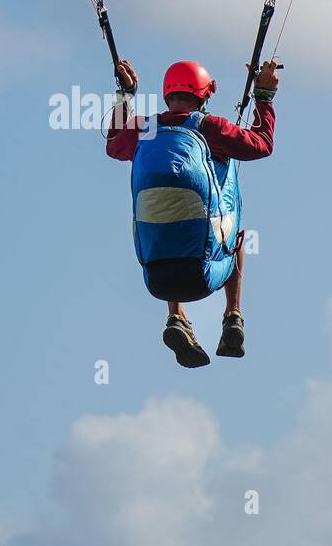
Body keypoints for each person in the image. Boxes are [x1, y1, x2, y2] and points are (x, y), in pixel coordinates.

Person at [106, 58, 279, 367]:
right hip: (202, 274)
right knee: (236, 237)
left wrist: (126, 96)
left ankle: (176, 317)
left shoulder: (145, 129)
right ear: (205, 96)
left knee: (168, 224)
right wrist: (263, 97)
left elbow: (113, 145)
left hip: (156, 279)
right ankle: (233, 317)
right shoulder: (211, 128)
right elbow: (262, 145)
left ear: (166, 95)